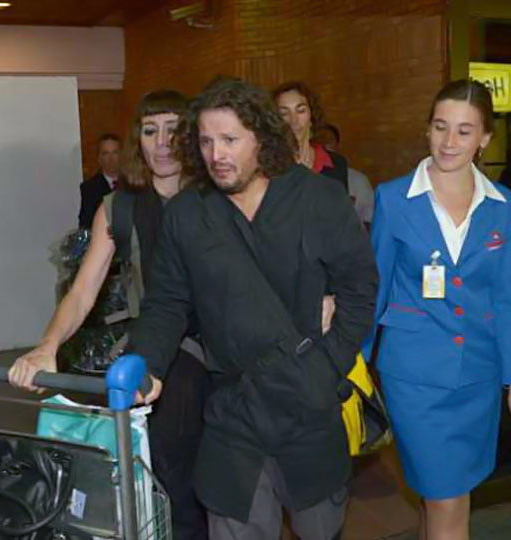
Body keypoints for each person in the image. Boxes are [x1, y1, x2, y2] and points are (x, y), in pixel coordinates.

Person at [131, 77, 377, 539]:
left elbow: (360, 288)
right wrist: (146, 364)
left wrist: (328, 365)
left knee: (321, 529)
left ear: (261, 139)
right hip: (233, 408)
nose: (216, 154)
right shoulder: (188, 214)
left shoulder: (318, 199)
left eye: (229, 140)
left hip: (306, 402)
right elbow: (166, 302)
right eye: (205, 141)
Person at [8, 90, 209, 540]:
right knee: (169, 471)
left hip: (224, 349)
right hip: (163, 349)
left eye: (174, 131)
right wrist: (47, 347)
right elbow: (82, 293)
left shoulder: (216, 196)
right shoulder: (119, 207)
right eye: (151, 131)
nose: (161, 143)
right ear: (137, 139)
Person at [362, 79, 511, 540]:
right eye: (441, 127)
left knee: (443, 497)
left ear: (484, 139)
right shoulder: (393, 199)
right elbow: (373, 289)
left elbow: (510, 299)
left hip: (478, 379)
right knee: (447, 499)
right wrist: (352, 367)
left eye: (464, 131)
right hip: (414, 379)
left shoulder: (503, 205)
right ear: (427, 130)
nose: (448, 142)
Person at [272, 80, 349, 190]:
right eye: (284, 113)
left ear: (312, 116)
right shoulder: (268, 165)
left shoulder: (336, 163)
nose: (293, 120)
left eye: (301, 111)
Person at [323, 123, 375, 230]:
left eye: (329, 142)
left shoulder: (358, 180)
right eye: (320, 143)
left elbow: (370, 218)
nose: (325, 147)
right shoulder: (305, 180)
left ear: (337, 145)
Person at [78, 133, 123, 229]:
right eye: (106, 153)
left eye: (115, 152)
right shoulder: (89, 188)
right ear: (99, 158)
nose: (111, 159)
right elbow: (86, 224)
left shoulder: (133, 183)